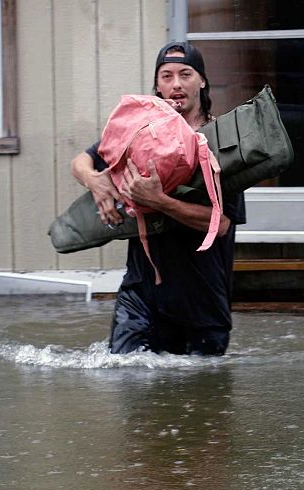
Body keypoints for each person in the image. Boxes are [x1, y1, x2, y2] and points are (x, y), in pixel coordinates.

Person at [70, 41, 246, 356]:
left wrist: (160, 201)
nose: (176, 84)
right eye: (166, 76)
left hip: (201, 303)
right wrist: (95, 181)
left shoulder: (223, 144)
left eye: (185, 74)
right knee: (125, 380)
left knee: (202, 398)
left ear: (202, 81)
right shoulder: (139, 134)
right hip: (141, 296)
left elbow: (220, 225)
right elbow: (80, 162)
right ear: (157, 85)